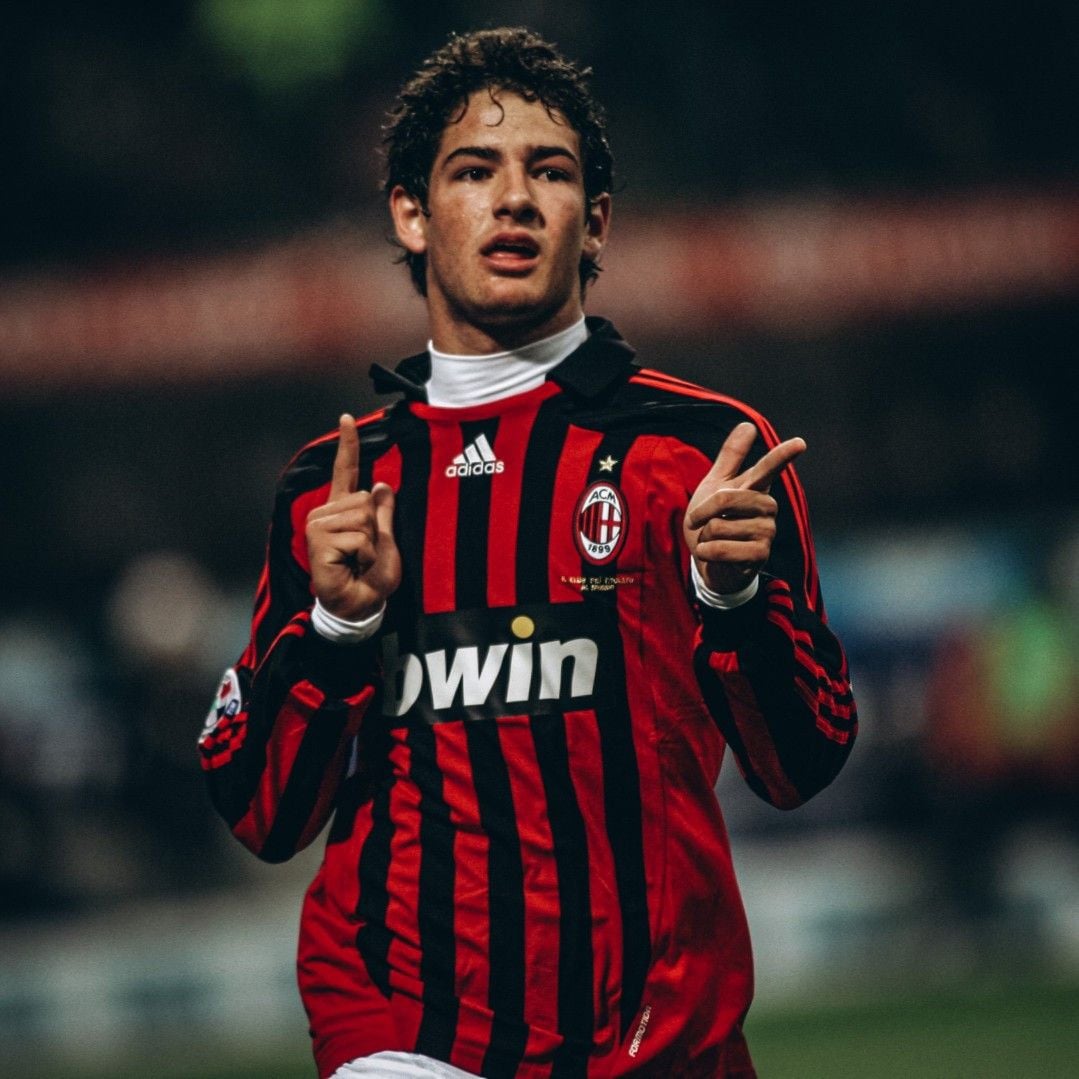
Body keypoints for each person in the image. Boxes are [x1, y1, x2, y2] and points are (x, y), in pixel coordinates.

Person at [199, 27, 857, 1079]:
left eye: (548, 173)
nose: (512, 199)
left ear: (593, 223)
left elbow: (803, 760)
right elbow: (261, 809)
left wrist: (729, 598)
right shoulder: (334, 485)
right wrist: (336, 628)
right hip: (403, 1029)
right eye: (473, 171)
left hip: (658, 1036)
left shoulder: (703, 455)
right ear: (412, 214)